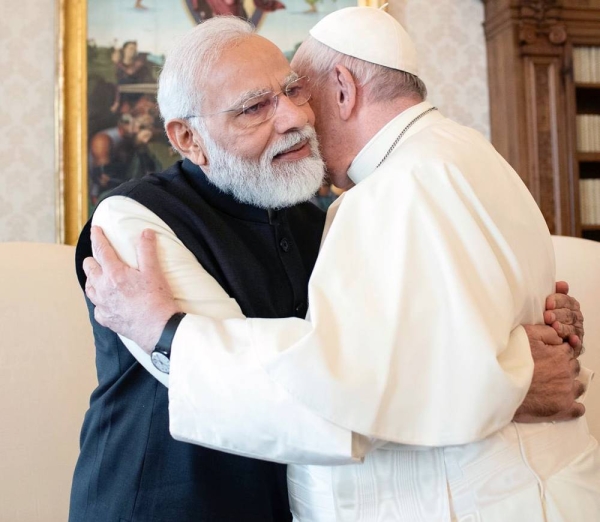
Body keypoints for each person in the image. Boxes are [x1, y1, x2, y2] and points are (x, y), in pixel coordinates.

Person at [81, 11, 595, 522]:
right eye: (255, 107)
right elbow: (298, 398)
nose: (293, 118)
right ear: (187, 139)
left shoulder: (331, 210)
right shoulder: (132, 222)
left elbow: (374, 355)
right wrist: (504, 383)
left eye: (294, 91)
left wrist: (506, 338)